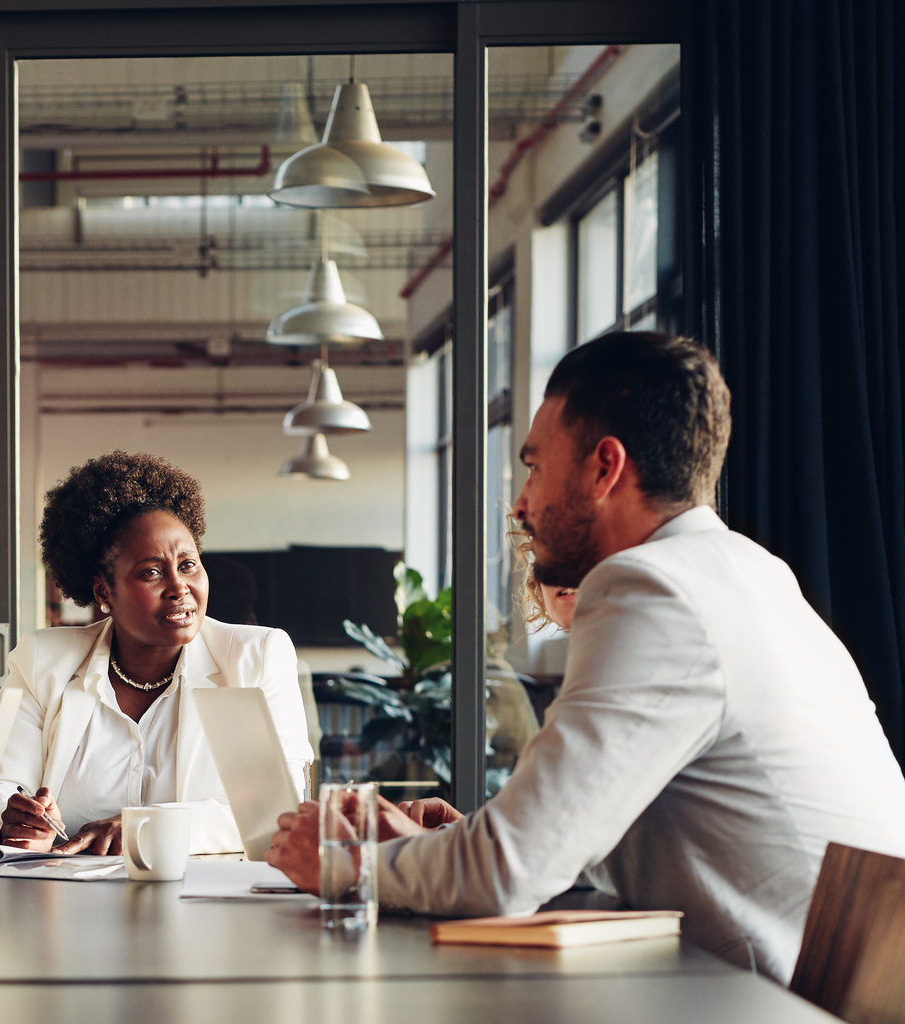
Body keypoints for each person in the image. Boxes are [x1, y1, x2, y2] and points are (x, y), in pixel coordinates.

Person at [268, 331, 905, 983]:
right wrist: (442, 846)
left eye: (536, 466)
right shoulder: (750, 573)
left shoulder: (653, 588)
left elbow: (507, 874)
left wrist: (348, 865)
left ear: (605, 468)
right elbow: (573, 848)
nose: (521, 500)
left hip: (764, 1004)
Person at [0, 451, 313, 855]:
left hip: (204, 905)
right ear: (104, 591)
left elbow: (278, 813)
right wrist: (17, 824)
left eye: (188, 565)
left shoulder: (255, 657)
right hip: (66, 901)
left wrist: (144, 827)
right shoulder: (43, 661)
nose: (178, 586)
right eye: (151, 572)